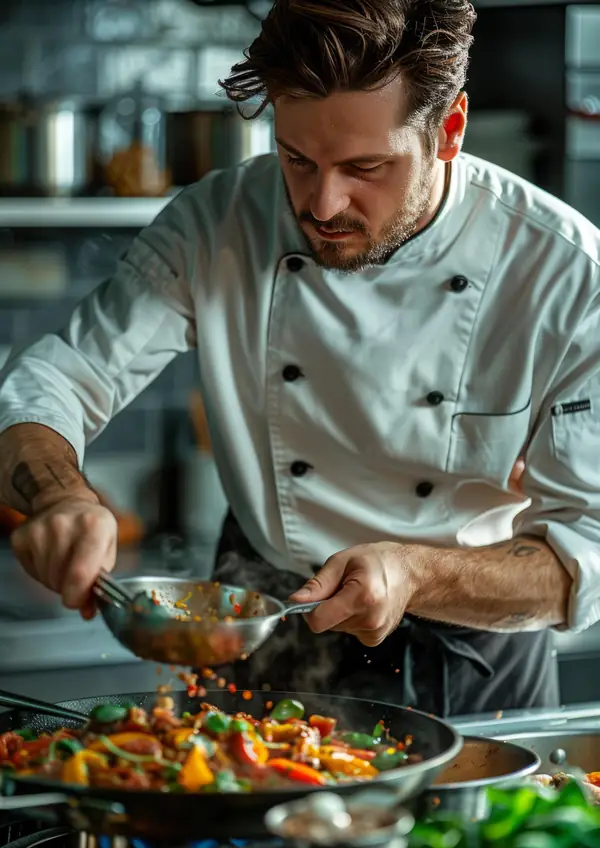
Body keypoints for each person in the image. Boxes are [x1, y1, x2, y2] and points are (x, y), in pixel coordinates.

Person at [0, 0, 599, 717]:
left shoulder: (564, 274)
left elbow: (586, 557)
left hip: (472, 661)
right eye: (296, 158)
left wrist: (413, 572)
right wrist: (60, 494)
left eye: (364, 166)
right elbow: (54, 379)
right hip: (262, 625)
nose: (321, 202)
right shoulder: (218, 221)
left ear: (449, 131)